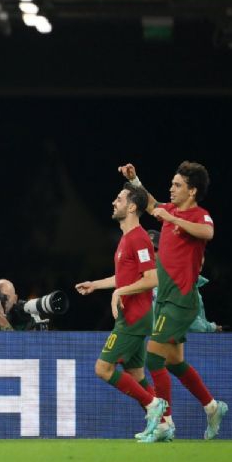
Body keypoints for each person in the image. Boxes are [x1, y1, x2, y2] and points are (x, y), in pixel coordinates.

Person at [118, 161, 227, 441]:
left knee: (154, 358)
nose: (172, 188)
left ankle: (165, 424)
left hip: (180, 300)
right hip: (167, 300)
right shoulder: (171, 210)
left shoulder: (200, 215)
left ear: (192, 191)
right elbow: (153, 204)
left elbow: (208, 233)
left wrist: (174, 219)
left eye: (177, 185)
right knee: (175, 362)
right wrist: (135, 180)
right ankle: (212, 406)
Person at [75, 184, 169, 440]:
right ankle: (162, 426)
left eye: (119, 199)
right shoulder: (127, 239)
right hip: (136, 316)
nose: (113, 203)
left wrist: (121, 292)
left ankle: (153, 405)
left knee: (103, 369)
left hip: (134, 318)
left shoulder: (139, 238)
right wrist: (97, 285)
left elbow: (153, 278)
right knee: (136, 374)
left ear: (132, 206)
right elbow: (124, 277)